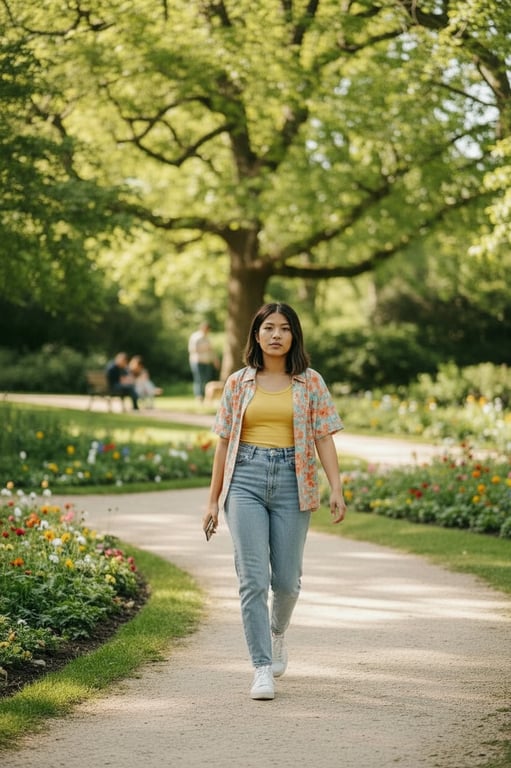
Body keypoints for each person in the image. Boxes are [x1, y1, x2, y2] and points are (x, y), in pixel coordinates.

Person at [203, 302, 346, 701]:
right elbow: (224, 443)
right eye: (269, 327)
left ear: (294, 335)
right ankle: (261, 667)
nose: (276, 335)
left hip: (293, 481)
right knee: (252, 580)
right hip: (244, 478)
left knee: (286, 582)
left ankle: (278, 631)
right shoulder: (238, 383)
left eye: (284, 328)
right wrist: (213, 501)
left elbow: (324, 438)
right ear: (256, 334)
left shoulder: (310, 382)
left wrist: (336, 487)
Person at [188, 321, 218, 402]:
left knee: (207, 380)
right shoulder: (195, 337)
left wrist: (215, 360)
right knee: (199, 379)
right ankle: (199, 396)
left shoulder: (207, 338)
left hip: (207, 362)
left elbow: (211, 350)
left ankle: (205, 397)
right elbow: (192, 349)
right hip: (197, 361)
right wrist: (205, 349)